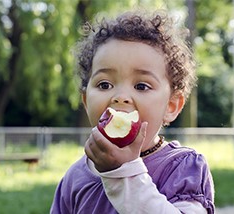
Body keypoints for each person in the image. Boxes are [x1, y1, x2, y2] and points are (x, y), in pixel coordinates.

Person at [50, 9, 215, 214]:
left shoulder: (183, 167)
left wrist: (123, 172)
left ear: (171, 106)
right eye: (104, 85)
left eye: (141, 86)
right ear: (85, 100)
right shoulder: (75, 177)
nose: (120, 97)